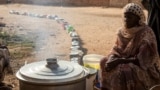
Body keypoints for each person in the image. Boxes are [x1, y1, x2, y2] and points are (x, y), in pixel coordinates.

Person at [99, 3, 160, 90]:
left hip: (142, 66)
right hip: (124, 59)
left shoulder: (146, 33)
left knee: (123, 71)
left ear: (138, 19)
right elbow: (116, 49)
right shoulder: (122, 31)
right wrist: (112, 58)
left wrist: (119, 61)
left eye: (130, 17)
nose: (126, 20)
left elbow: (142, 60)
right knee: (103, 61)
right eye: (125, 16)